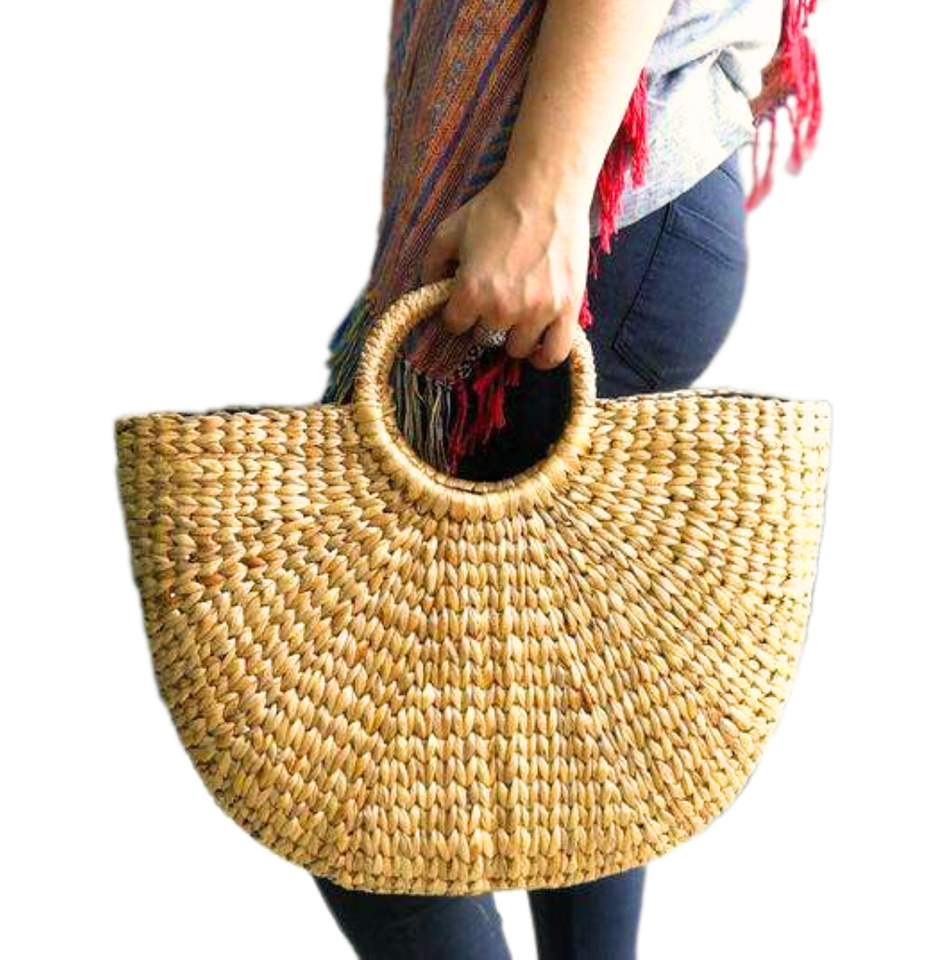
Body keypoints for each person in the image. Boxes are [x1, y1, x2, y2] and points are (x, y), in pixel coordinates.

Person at [317, 1, 819, 956]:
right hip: (627, 210)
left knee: (354, 759)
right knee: (567, 714)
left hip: (583, 221)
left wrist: (541, 193)